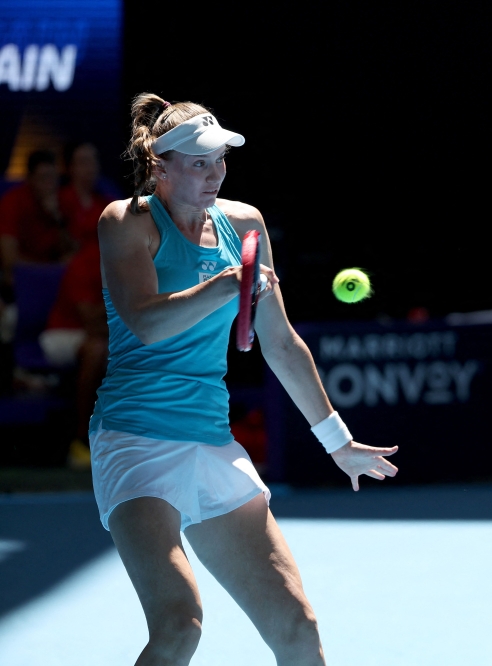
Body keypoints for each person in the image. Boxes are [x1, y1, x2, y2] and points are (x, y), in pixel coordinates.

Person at [93, 93, 399, 665]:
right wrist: (226, 285)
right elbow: (146, 321)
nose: (215, 174)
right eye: (199, 162)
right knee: (179, 627)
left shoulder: (244, 223)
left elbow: (281, 343)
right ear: (161, 166)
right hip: (134, 442)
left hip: (212, 443)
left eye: (220, 161)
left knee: (298, 628)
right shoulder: (125, 221)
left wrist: (338, 441)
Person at [40, 239, 107, 469]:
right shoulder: (86, 261)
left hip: (108, 335)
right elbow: (91, 323)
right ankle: (80, 439)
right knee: (97, 349)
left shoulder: (144, 259)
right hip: (63, 333)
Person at [0, 149, 74, 288]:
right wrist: (49, 270)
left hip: (54, 278)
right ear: (30, 179)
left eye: (53, 178)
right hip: (22, 278)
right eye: (43, 178)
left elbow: (71, 253)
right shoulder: (12, 202)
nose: (49, 185)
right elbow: (10, 260)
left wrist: (57, 219)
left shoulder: (63, 201)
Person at [59, 141, 113, 248]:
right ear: (70, 167)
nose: (91, 168)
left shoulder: (105, 202)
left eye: (94, 161)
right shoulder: (59, 201)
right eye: (84, 162)